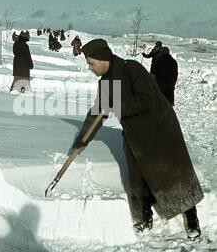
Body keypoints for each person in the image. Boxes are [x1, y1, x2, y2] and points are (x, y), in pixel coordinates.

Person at [70, 39, 203, 240]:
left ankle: (191, 218)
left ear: (102, 59)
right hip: (135, 133)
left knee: (175, 174)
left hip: (160, 128)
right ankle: (144, 216)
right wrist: (82, 140)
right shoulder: (105, 83)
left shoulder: (131, 69)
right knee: (138, 176)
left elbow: (146, 98)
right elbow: (98, 112)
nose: (89, 68)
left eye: (91, 63)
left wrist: (117, 104)